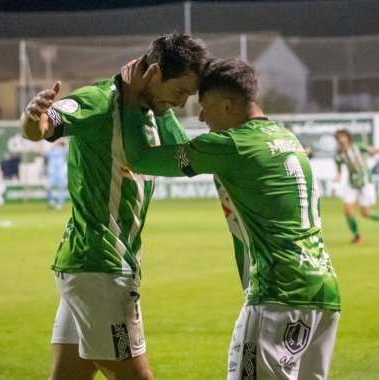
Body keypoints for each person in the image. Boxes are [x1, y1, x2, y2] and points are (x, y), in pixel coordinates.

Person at [122, 58, 341, 380]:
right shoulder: (282, 137)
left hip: (278, 293)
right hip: (322, 294)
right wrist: (165, 110)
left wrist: (130, 99)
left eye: (204, 106)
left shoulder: (232, 145)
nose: (201, 116)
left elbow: (140, 158)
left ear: (227, 105)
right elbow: (188, 149)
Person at [20, 33, 207, 380]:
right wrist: (33, 118)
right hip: (101, 267)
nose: (182, 103)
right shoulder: (100, 100)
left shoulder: (147, 110)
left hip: (91, 267)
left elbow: (185, 157)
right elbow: (42, 127)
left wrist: (152, 103)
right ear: (152, 72)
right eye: (180, 91)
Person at [331, 129, 379, 244]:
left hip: (365, 183)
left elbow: (372, 150)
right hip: (352, 184)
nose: (342, 140)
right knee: (348, 210)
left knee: (365, 213)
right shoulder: (338, 154)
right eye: (339, 138)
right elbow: (339, 172)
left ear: (348, 138)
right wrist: (335, 185)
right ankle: (357, 236)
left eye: (344, 137)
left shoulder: (358, 147)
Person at [46, 141, 68, 210]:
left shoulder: (62, 150)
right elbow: (43, 152)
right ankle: (52, 201)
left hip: (60, 173)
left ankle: (60, 204)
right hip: (52, 173)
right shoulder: (51, 151)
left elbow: (67, 147)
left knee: (61, 188)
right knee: (48, 187)